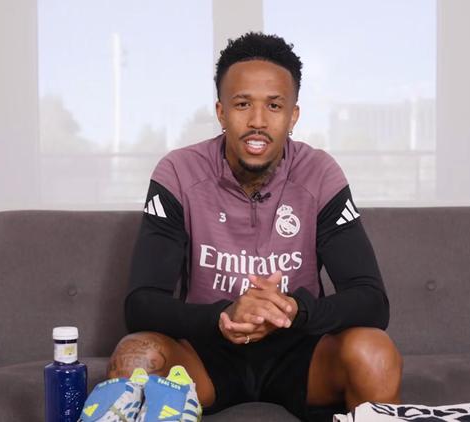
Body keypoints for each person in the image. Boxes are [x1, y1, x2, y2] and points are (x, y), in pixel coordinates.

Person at [108, 32, 402, 421]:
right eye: (243, 104)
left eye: (274, 106)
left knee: (375, 352)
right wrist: (224, 316)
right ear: (221, 111)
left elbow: (372, 301)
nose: (258, 122)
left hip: (299, 350)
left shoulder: (320, 173)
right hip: (207, 351)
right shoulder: (178, 171)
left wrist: (294, 310)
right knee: (134, 355)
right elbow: (141, 304)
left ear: (293, 115)